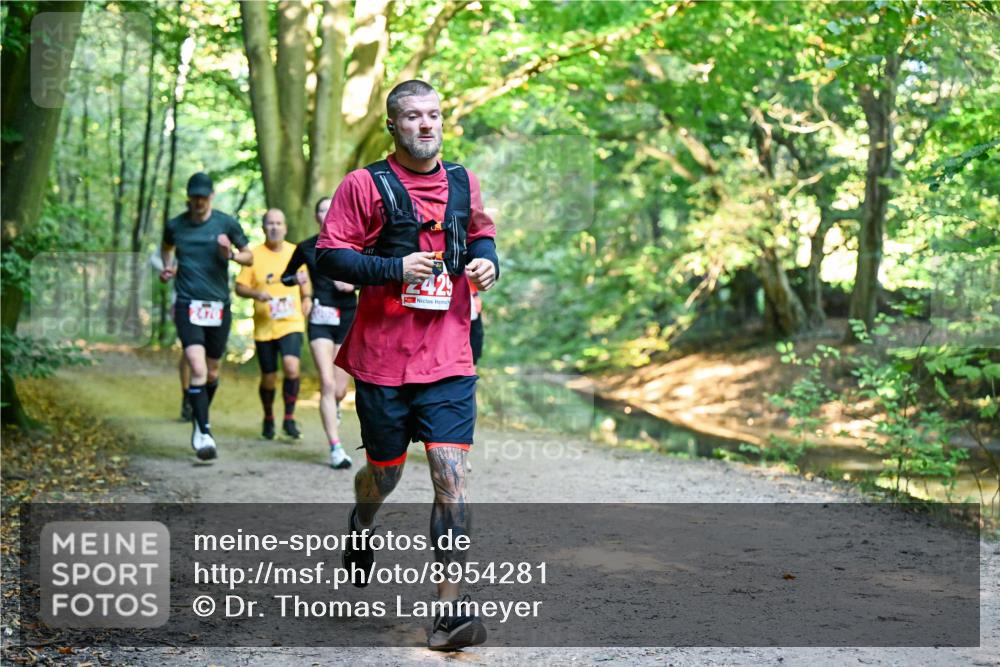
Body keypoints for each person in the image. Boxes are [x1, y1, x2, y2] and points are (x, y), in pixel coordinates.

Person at [315, 79, 499, 651]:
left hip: (449, 356)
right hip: (383, 362)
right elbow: (329, 254)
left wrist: (488, 263)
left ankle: (448, 614)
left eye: (435, 115)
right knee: (385, 476)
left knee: (451, 476)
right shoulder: (364, 185)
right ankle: (362, 524)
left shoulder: (464, 182)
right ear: (393, 125)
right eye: (413, 116)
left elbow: (483, 232)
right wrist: (394, 269)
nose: (426, 124)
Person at [160, 172, 252, 460]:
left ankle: (199, 416)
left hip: (218, 306)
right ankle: (203, 432)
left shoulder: (225, 223)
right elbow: (166, 248)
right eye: (194, 197)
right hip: (188, 304)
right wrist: (168, 267)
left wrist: (231, 255)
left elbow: (249, 255)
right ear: (189, 197)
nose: (199, 202)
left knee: (212, 371)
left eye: (203, 196)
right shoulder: (175, 225)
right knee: (198, 369)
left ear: (211, 196)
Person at [281, 197, 356, 468]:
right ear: (316, 217)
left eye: (330, 209)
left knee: (338, 389)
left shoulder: (353, 243)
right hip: (320, 319)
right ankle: (336, 448)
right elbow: (285, 276)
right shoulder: (306, 247)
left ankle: (334, 405)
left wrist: (353, 283)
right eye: (321, 210)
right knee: (325, 383)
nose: (326, 214)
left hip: (347, 318)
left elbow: (372, 275)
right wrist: (296, 279)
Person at [235, 208, 308, 440]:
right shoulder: (253, 255)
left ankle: (289, 418)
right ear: (263, 228)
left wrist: (307, 299)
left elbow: (305, 283)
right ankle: (268, 417)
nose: (274, 227)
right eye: (270, 223)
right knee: (268, 376)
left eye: (278, 223)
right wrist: (257, 294)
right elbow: (239, 287)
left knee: (291, 367)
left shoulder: (296, 252)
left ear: (285, 227)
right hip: (265, 325)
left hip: (291, 321)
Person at [149, 250, 193, 420]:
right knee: (190, 351)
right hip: (182, 303)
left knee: (205, 355)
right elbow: (154, 258)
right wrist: (169, 269)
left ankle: (199, 397)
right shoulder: (178, 235)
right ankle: (187, 398)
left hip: (210, 305)